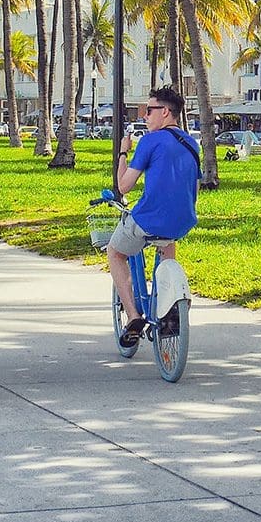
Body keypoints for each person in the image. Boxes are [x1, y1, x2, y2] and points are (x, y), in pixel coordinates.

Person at [109, 86, 200, 350]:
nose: (145, 116)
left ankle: (134, 317)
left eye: (149, 111)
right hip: (183, 219)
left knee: (116, 253)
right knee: (166, 242)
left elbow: (124, 186)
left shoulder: (150, 141)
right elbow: (193, 188)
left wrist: (124, 153)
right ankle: (168, 302)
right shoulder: (191, 143)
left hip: (148, 219)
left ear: (166, 112)